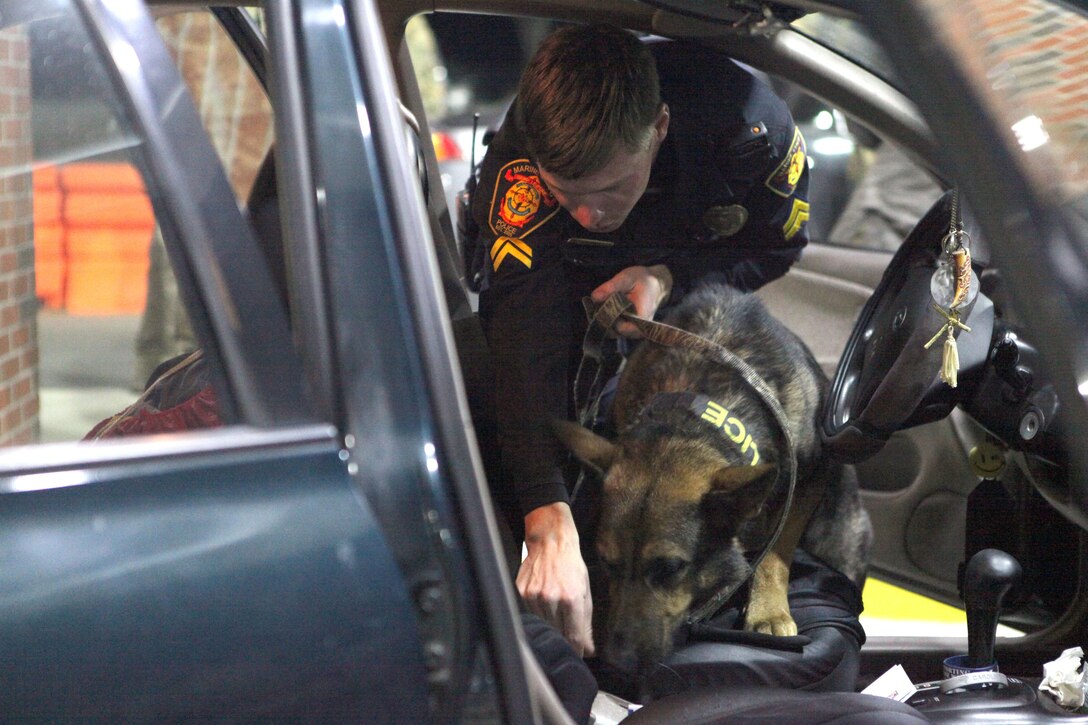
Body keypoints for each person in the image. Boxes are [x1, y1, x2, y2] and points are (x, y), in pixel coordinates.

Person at [469, 23, 812, 657]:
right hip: (559, 296)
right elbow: (523, 342)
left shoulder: (750, 133)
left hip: (681, 293)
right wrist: (547, 524)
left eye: (608, 190)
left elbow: (775, 247)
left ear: (658, 128)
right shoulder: (518, 175)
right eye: (565, 194)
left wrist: (667, 277)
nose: (588, 216)